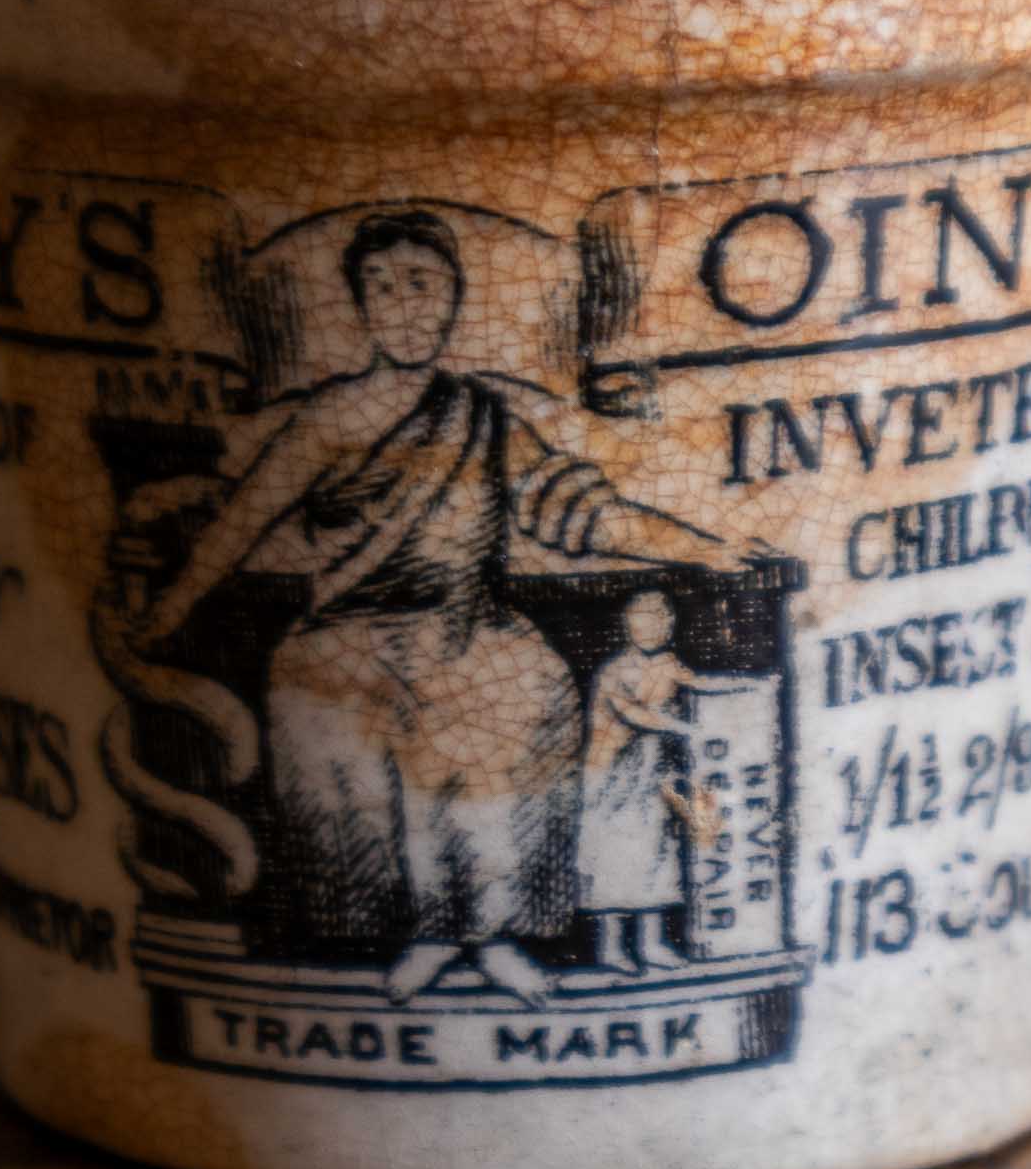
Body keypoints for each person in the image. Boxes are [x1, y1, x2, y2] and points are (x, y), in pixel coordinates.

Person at [106, 211, 740, 1007]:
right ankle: (417, 937)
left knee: (531, 687)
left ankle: (493, 933)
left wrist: (702, 547)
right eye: (380, 287)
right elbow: (241, 521)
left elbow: (576, 510)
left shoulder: (483, 415)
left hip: (469, 626)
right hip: (349, 633)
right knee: (322, 703)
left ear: (451, 302)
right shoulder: (327, 420)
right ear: (358, 306)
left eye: (421, 286)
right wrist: (170, 609)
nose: (403, 306)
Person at [578, 592, 739, 976]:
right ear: (628, 624)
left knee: (657, 857)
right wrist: (682, 727)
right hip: (610, 781)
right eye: (644, 618)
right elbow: (632, 713)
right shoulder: (615, 671)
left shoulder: (667, 664)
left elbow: (698, 684)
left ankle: (652, 944)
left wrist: (738, 689)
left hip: (650, 779)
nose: (654, 626)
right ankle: (612, 947)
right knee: (614, 862)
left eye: (661, 619)